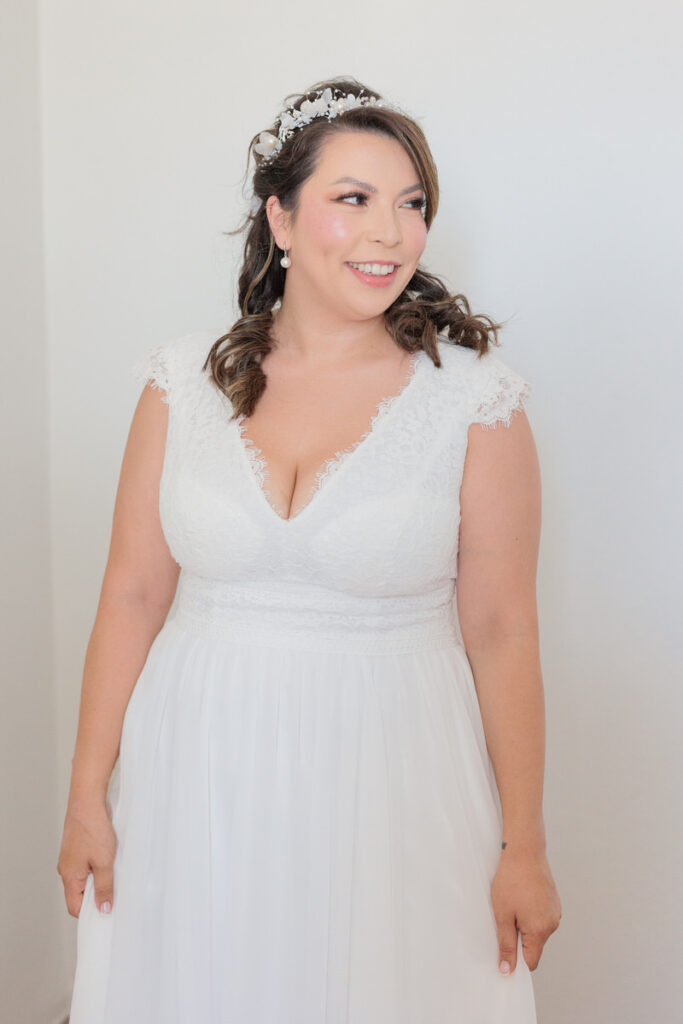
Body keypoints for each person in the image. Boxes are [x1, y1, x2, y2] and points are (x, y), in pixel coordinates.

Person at [58, 75, 561, 1022]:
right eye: (354, 199)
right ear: (280, 218)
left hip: (394, 783)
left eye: (411, 204)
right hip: (195, 777)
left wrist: (523, 845)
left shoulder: (474, 402)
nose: (390, 233)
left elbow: (502, 632)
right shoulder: (180, 383)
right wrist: (87, 796)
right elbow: (130, 596)